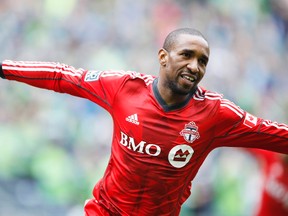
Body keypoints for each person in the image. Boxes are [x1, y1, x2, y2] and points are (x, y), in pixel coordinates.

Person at [0, 28, 288, 216]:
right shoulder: (124, 87)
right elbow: (62, 76)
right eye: (186, 55)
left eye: (203, 61)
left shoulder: (216, 115)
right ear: (163, 57)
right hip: (103, 211)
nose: (195, 66)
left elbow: (273, 134)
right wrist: (3, 68)